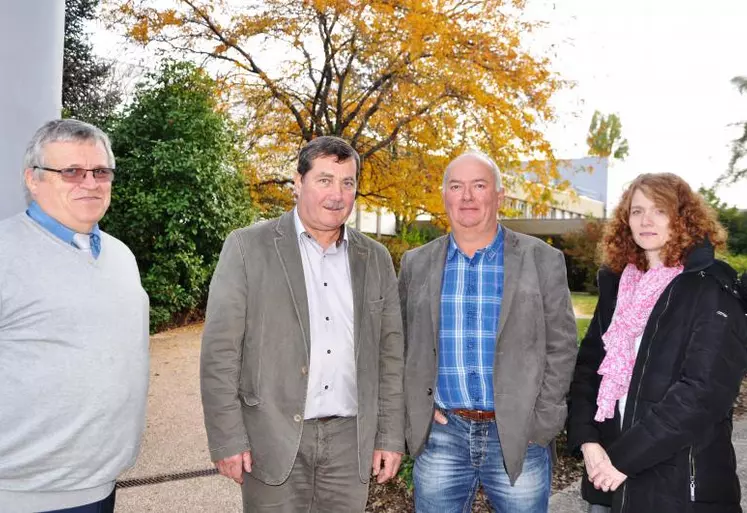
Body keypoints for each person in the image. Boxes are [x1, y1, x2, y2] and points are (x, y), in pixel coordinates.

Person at [200, 136, 405, 513]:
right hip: (273, 437)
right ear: (298, 182)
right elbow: (220, 353)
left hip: (350, 442)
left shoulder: (375, 259)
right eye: (325, 180)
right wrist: (228, 439)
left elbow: (391, 356)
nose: (337, 194)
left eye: (348, 182)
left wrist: (390, 436)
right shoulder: (248, 247)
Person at [399, 150, 578, 512]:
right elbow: (399, 344)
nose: (467, 196)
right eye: (456, 186)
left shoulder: (541, 259)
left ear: (499, 196)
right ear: (444, 195)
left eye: (479, 186)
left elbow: (562, 345)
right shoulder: (415, 263)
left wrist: (542, 422)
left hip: (518, 435)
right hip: (442, 434)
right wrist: (413, 406)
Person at [567, 173, 747, 513]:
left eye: (659, 210)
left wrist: (620, 461)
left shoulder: (711, 287)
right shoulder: (618, 285)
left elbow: (702, 394)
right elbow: (589, 368)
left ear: (683, 219)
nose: (646, 220)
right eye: (636, 211)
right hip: (606, 478)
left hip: (678, 485)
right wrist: (588, 442)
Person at [0, 119, 150, 513]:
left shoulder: (121, 256)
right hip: (21, 496)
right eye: (71, 172)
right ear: (33, 180)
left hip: (101, 485)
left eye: (101, 171)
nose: (90, 182)